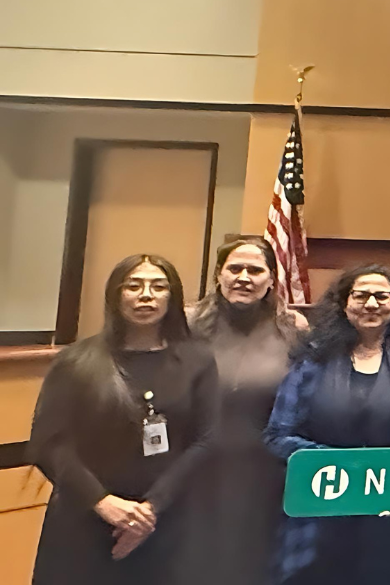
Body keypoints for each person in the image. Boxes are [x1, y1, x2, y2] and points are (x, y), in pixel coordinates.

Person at [30, 254, 218, 585]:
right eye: (133, 286)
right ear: (116, 295)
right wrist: (104, 503)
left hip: (165, 522)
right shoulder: (77, 360)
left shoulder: (197, 360)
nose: (146, 295)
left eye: (158, 286)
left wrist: (149, 511)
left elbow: (205, 440)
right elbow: (50, 443)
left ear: (172, 296)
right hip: (84, 518)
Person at [265, 264, 390, 585]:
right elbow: (277, 435)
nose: (371, 304)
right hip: (321, 505)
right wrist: (342, 463)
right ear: (344, 303)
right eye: (361, 295)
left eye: (381, 296)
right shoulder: (312, 360)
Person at [183, 236, 307, 585]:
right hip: (194, 470)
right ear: (218, 275)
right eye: (234, 268)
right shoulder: (186, 325)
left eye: (255, 270)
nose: (243, 277)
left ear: (271, 279)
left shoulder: (293, 329)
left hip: (265, 474)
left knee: (254, 566)